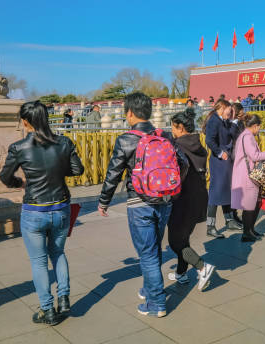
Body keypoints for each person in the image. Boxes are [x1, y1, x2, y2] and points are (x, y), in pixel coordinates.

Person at [97, 92, 188, 318]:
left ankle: (156, 302)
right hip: (165, 200)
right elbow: (183, 163)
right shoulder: (165, 135)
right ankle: (149, 289)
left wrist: (103, 201)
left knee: (147, 253)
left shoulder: (126, 139)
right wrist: (173, 188)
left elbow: (114, 173)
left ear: (130, 113)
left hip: (140, 203)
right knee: (154, 247)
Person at [0, 101, 84, 325]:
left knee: (38, 261)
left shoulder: (18, 147)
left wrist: (21, 182)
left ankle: (47, 310)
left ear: (25, 121)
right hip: (60, 207)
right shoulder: (64, 142)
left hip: (34, 210)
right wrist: (56, 171)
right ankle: (64, 298)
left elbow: (5, 177)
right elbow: (78, 170)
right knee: (58, 253)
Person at [167, 109, 216, 290]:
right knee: (184, 237)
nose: (171, 130)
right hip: (199, 197)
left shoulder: (177, 146)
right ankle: (181, 273)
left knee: (175, 241)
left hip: (183, 199)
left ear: (180, 127)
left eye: (173, 127)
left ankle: (202, 267)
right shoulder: (197, 144)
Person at [231, 114, 265, 242]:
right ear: (255, 126)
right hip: (247, 175)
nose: (259, 129)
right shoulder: (247, 137)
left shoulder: (244, 135)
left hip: (245, 173)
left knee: (252, 204)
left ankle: (250, 230)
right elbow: (254, 156)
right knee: (249, 206)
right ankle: (246, 233)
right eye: (259, 127)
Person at [203, 99, 242, 238]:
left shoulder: (223, 120)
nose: (231, 113)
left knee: (226, 191)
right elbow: (209, 140)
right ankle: (210, 226)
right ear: (222, 108)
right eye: (229, 110)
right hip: (219, 161)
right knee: (215, 193)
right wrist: (220, 152)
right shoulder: (214, 120)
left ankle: (229, 220)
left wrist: (232, 121)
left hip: (226, 162)